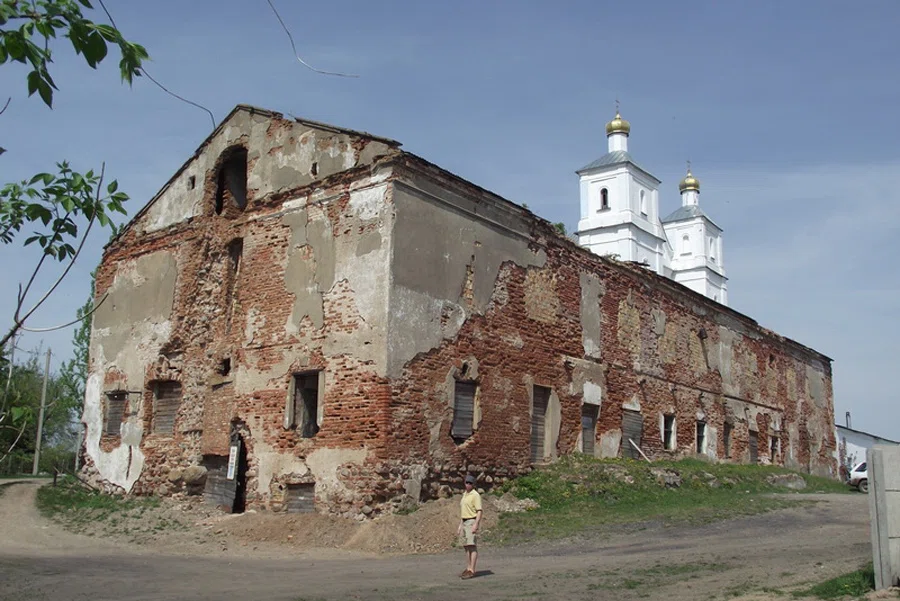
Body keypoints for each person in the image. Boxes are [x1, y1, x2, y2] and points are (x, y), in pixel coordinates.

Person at [457, 473, 482, 579]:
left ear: (473, 485)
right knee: (466, 546)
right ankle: (468, 567)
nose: (467, 484)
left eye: (470, 483)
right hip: (464, 521)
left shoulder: (475, 495)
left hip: (471, 521)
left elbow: (479, 511)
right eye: (466, 482)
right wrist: (460, 525)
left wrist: (476, 524)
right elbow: (463, 511)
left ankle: (472, 569)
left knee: (472, 546)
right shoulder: (465, 494)